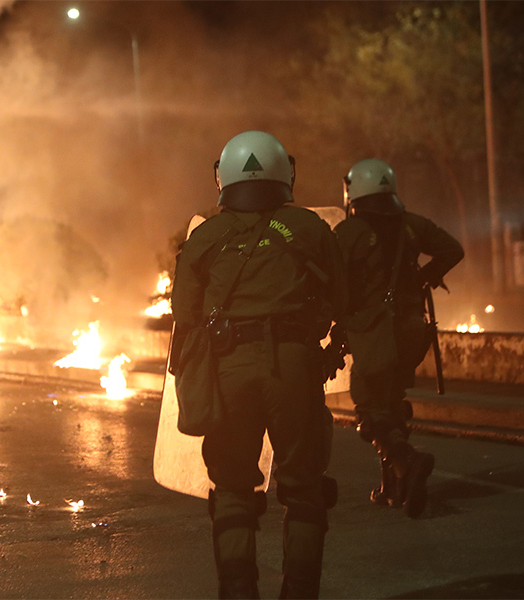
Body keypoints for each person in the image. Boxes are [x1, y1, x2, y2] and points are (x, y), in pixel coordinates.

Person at [170, 131, 347, 598]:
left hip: (227, 371)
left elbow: (184, 314)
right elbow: (340, 297)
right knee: (305, 487)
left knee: (232, 488)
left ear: (222, 177)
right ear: (286, 171)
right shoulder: (310, 228)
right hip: (293, 367)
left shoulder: (205, 237)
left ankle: (238, 592)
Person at [333, 158, 463, 518]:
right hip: (410, 331)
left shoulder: (349, 233)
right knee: (391, 403)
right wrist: (425, 277)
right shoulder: (412, 224)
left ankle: (409, 459)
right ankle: (396, 486)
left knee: (370, 411)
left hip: (373, 333)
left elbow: (333, 281)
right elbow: (453, 249)